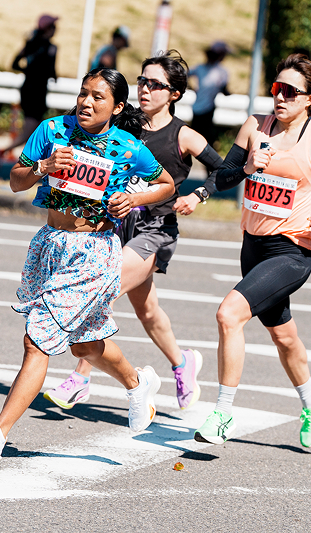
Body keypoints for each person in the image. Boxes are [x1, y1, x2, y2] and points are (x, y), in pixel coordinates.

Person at [0, 68, 176, 468]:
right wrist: (44, 166)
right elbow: (16, 181)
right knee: (82, 343)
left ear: (118, 106)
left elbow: (166, 184)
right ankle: (137, 382)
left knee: (36, 339)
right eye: (83, 94)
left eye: (98, 97)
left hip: (93, 250)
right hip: (51, 245)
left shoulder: (128, 148)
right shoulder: (52, 130)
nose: (87, 103)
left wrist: (135, 199)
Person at [193, 54, 311, 447]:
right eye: (276, 88)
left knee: (229, 314)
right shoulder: (255, 127)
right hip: (252, 248)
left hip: (291, 251)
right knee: (284, 338)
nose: (280, 97)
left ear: (310, 98)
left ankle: (222, 412)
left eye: (290, 92)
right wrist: (245, 167)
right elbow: (221, 177)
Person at [43, 50, 224, 411]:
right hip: (115, 224)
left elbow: (225, 169)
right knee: (148, 310)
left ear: (173, 93)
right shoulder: (124, 124)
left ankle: (80, 378)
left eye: (156, 84)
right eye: (143, 81)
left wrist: (198, 195)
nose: (146, 89)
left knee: (102, 287)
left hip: (154, 228)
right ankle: (181, 362)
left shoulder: (183, 135)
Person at [0, 14, 58, 171]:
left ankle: (30, 162)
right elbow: (51, 71)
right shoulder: (51, 48)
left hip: (27, 89)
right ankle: (4, 152)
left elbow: (15, 63)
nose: (56, 30)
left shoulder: (30, 43)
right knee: (32, 131)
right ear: (47, 29)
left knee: (34, 130)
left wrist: (29, 71)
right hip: (38, 92)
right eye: (53, 27)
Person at [189, 41, 230, 148]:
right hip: (208, 108)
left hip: (197, 107)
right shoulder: (222, 72)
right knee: (207, 138)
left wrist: (191, 87)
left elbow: (183, 75)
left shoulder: (199, 68)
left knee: (193, 136)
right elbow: (224, 90)